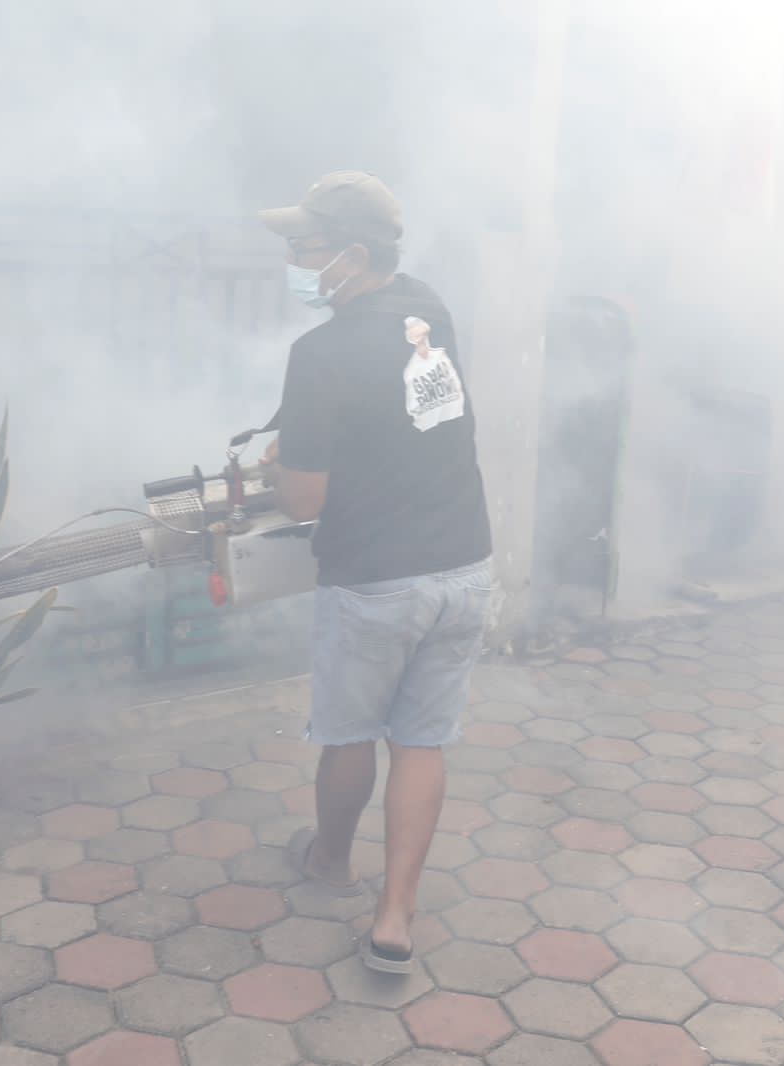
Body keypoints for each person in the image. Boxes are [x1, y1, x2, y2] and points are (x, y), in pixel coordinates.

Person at [257, 171, 498, 974]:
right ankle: (396, 917)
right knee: (422, 741)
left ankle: (331, 861)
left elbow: (303, 501)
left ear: (353, 256)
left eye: (305, 248)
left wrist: (281, 468)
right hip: (464, 566)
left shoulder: (319, 353)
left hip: (375, 580)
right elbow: (410, 417)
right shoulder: (429, 311)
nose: (294, 263)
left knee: (350, 733)